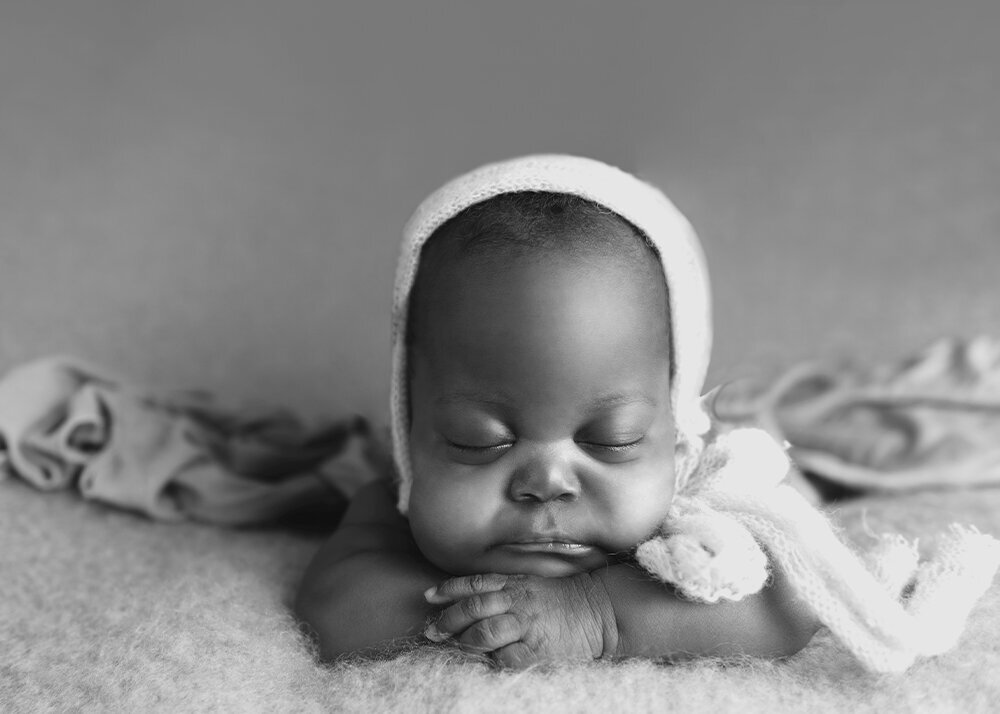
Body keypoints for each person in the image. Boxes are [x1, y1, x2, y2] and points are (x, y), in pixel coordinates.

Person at [295, 155, 997, 672]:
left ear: (677, 443)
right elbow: (338, 606)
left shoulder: (697, 514)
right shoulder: (391, 500)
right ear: (410, 438)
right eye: (478, 441)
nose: (547, 482)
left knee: (785, 474)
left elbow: (790, 608)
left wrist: (601, 616)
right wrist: (497, 615)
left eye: (612, 439)